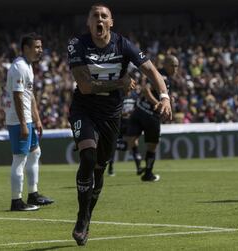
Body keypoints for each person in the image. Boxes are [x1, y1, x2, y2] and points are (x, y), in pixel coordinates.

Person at [67, 3, 172, 246]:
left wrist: (165, 96)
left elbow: (151, 70)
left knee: (100, 167)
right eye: (95, 16)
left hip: (111, 115)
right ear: (89, 23)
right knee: (88, 157)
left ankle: (88, 214)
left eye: (104, 16)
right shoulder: (77, 45)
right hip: (84, 110)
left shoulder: (123, 44)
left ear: (111, 23)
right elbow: (84, 87)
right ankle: (81, 218)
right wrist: (120, 83)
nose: (100, 20)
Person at [4, 32, 54, 212]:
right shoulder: (19, 67)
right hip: (19, 120)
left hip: (27, 119)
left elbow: (29, 94)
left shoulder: (28, 66)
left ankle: (33, 194)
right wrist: (24, 123)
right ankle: (16, 201)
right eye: (37, 47)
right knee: (19, 159)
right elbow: (17, 96)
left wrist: (37, 118)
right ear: (26, 48)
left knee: (35, 152)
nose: (41, 50)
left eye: (41, 47)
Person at [125, 55, 179, 182]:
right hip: (150, 115)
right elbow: (146, 90)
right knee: (152, 146)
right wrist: (157, 103)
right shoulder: (161, 76)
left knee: (131, 138)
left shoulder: (161, 75)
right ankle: (148, 173)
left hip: (139, 110)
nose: (175, 69)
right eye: (173, 65)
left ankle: (138, 159)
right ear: (165, 64)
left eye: (177, 66)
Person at [107, 84, 144, 176]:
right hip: (119, 123)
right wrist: (124, 114)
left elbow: (138, 108)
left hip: (130, 123)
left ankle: (139, 168)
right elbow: (115, 110)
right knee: (114, 144)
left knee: (133, 144)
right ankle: (110, 168)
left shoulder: (135, 96)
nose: (129, 88)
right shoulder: (119, 96)